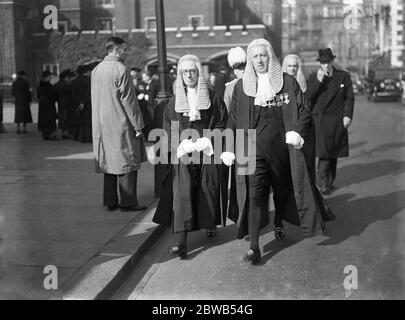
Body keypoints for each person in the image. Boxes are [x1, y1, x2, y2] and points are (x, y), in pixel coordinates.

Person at [223, 38, 334, 264]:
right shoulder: (241, 88)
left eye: (263, 55)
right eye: (254, 56)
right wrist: (227, 148)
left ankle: (278, 221)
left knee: (281, 190)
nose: (259, 60)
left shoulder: (287, 82)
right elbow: (232, 120)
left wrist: (298, 131)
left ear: (270, 56)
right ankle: (254, 247)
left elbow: (304, 109)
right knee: (254, 193)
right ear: (250, 60)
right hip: (252, 148)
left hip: (281, 148)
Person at [153, 54, 228, 259]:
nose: (188, 75)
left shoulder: (213, 98)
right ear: (180, 74)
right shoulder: (173, 103)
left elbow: (222, 122)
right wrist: (179, 143)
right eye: (184, 72)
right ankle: (181, 242)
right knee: (182, 194)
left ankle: (210, 222)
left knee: (208, 190)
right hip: (184, 153)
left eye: (192, 71)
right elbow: (167, 128)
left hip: (206, 151)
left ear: (198, 73)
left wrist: (210, 140)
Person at [91, 36, 147, 212]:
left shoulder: (97, 69)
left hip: (101, 124)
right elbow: (130, 102)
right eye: (124, 49)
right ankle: (128, 202)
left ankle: (110, 201)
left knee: (109, 163)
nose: (126, 52)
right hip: (120, 122)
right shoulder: (121, 69)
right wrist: (138, 125)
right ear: (115, 50)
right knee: (126, 161)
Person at [306, 48, 354, 195]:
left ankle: (330, 180)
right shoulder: (314, 77)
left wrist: (348, 116)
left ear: (332, 61)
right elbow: (308, 96)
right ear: (320, 63)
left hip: (338, 120)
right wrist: (319, 81)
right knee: (324, 153)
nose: (326, 65)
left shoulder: (343, 76)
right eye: (323, 63)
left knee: (334, 153)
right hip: (320, 120)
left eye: (328, 62)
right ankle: (323, 183)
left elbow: (349, 98)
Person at [282, 54, 315, 181]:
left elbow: (307, 109)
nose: (292, 69)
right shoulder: (280, 86)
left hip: (303, 130)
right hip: (285, 130)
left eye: (295, 66)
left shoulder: (304, 85)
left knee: (305, 167)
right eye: (289, 66)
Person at [71, 65, 92, 143]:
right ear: (86, 72)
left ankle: (81, 138)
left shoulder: (74, 81)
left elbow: (73, 94)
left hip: (77, 103)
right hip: (87, 103)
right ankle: (88, 138)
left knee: (80, 122)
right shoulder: (89, 81)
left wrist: (79, 103)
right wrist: (84, 102)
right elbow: (88, 93)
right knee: (87, 122)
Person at [223, 47, 247, 111]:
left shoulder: (255, 83)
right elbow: (227, 110)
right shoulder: (229, 88)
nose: (243, 70)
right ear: (234, 71)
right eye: (239, 68)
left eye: (244, 67)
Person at [37, 70, 58, 140]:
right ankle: (51, 134)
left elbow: (38, 96)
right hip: (49, 105)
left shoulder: (39, 86)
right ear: (47, 77)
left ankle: (45, 134)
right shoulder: (50, 86)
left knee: (44, 120)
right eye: (50, 76)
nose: (51, 78)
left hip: (42, 105)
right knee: (50, 120)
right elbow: (53, 96)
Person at [54, 70, 72, 139]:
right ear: (66, 77)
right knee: (66, 118)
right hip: (67, 104)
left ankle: (63, 132)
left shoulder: (56, 85)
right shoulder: (67, 85)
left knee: (61, 117)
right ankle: (66, 133)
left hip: (60, 103)